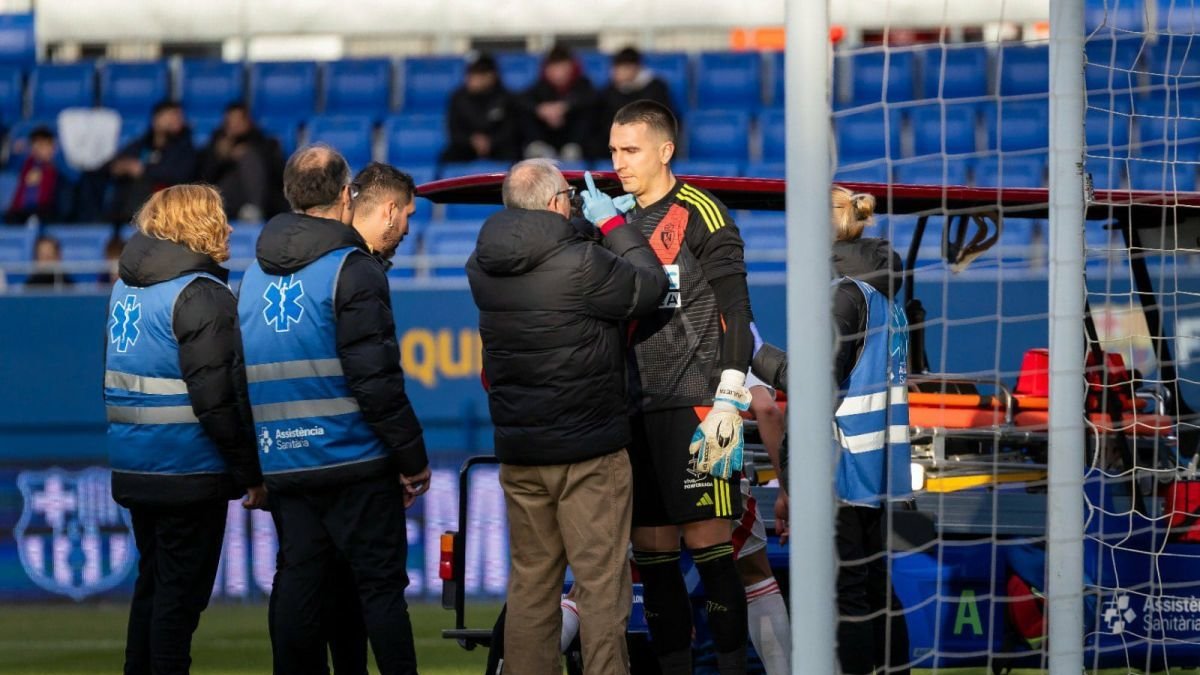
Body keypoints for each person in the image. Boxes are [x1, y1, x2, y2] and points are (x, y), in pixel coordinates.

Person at [467, 161, 667, 674]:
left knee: (531, 583)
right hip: (588, 451)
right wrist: (612, 226)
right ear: (558, 202)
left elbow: (550, 262)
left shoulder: (482, 264)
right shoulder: (581, 263)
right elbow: (650, 287)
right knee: (600, 584)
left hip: (521, 452)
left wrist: (582, 230)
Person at [237, 145, 429, 675]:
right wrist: (411, 458)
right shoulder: (352, 269)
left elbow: (237, 379)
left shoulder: (252, 277)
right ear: (347, 195)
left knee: (297, 584)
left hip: (285, 463)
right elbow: (376, 380)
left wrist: (253, 467)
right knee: (380, 590)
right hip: (353, 458)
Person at [604, 99, 755, 674]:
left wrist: (728, 398)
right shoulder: (613, 222)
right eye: (614, 151)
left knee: (711, 550)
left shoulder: (701, 212)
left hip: (696, 406)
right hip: (634, 410)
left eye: (631, 150)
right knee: (654, 557)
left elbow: (736, 310)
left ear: (665, 151)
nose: (619, 162)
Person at [103, 184, 266, 675]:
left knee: (152, 589)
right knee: (179, 602)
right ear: (197, 223)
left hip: (136, 463)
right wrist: (251, 474)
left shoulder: (125, 288)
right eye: (220, 216)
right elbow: (218, 400)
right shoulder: (201, 294)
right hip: (188, 469)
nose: (229, 227)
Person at [751, 186, 911, 675]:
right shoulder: (886, 298)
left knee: (848, 593)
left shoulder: (843, 294)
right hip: (876, 466)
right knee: (874, 585)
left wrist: (753, 353)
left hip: (839, 466)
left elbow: (813, 382)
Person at [734, 373, 791, 675]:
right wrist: (786, 489)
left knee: (650, 577)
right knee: (754, 576)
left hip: (643, 463)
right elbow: (767, 409)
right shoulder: (725, 342)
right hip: (714, 465)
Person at [109, 100, 197, 223]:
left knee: (142, 184)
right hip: (132, 200)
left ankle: (133, 222)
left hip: (167, 203)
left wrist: (144, 171)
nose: (177, 121)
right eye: (172, 116)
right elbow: (117, 162)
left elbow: (178, 175)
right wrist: (121, 166)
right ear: (156, 119)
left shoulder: (185, 147)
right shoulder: (143, 143)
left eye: (179, 117)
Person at [198, 102, 286, 221]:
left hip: (262, 198)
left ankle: (254, 208)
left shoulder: (264, 142)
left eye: (238, 120)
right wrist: (220, 158)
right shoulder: (217, 143)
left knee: (249, 157)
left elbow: (278, 174)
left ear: (248, 121)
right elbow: (204, 177)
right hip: (227, 197)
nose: (235, 125)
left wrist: (249, 152)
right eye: (231, 121)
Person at [520, 44, 597, 161]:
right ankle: (539, 148)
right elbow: (521, 100)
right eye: (554, 68)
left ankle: (573, 149)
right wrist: (542, 109)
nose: (559, 74)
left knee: (588, 112)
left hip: (574, 138)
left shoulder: (583, 85)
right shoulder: (540, 87)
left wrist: (565, 107)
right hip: (547, 137)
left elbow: (592, 98)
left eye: (562, 68)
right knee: (524, 113)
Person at [593, 47, 673, 158]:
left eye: (623, 68)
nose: (617, 73)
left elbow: (663, 119)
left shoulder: (655, 88)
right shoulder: (609, 91)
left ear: (635, 68)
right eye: (615, 69)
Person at [440, 53, 520, 163]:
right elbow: (454, 131)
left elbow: (511, 130)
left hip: (499, 147)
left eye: (477, 74)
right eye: (470, 74)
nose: (471, 79)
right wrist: (472, 140)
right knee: (448, 157)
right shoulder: (458, 98)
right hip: (467, 146)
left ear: (491, 76)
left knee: (515, 156)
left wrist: (491, 141)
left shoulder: (506, 98)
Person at [5, 126, 68, 224]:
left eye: (46, 145)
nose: (42, 149)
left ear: (53, 147)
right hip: (20, 212)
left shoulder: (59, 166)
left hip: (45, 212)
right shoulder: (26, 164)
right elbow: (12, 161)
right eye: (38, 145)